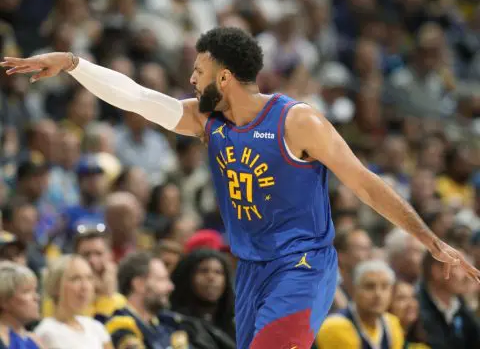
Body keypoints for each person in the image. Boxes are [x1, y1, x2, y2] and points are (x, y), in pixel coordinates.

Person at [2, 27, 479, 349]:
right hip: (249, 268)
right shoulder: (208, 121)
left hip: (303, 263)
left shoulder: (296, 121)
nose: (191, 78)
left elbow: (366, 184)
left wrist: (431, 242)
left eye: (199, 71)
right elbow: (140, 98)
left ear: (224, 77)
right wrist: (71, 63)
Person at [317, 260, 405, 349]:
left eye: (385, 287)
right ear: (354, 290)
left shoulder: (392, 324)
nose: (378, 294)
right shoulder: (335, 326)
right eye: (369, 287)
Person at [35, 255, 113, 349]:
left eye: (89, 278)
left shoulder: (96, 327)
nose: (85, 286)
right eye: (76, 279)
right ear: (56, 286)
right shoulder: (46, 332)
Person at [0, 262, 44, 349]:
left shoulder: (35, 339)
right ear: (4, 300)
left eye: (35, 290)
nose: (36, 297)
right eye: (26, 291)